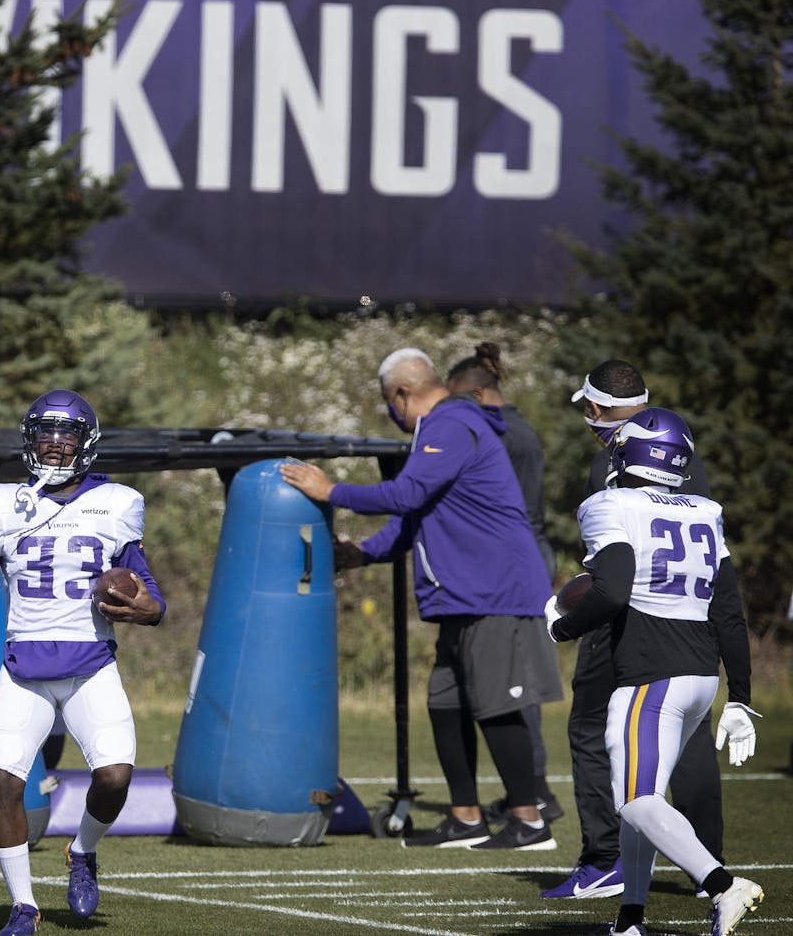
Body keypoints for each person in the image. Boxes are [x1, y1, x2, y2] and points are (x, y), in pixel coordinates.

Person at [281, 348, 562, 851]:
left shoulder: (450, 422)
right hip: (463, 598)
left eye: (389, 403)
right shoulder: (440, 430)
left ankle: (529, 820)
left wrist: (332, 491)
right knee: (446, 702)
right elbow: (415, 519)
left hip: (494, 591)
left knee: (495, 706)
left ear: (401, 394)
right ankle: (465, 817)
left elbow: (406, 495)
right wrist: (362, 554)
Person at [0, 389, 165, 936]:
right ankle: (23, 905)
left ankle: (83, 852)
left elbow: (150, 592)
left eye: (67, 438)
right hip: (23, 670)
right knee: (4, 784)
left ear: (85, 445)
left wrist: (147, 608)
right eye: (47, 435)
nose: (56, 446)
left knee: (113, 778)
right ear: (30, 440)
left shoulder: (116, 503)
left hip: (91, 665)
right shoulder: (1, 504)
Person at [545, 408, 762, 936]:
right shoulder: (707, 510)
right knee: (643, 798)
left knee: (634, 801)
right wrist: (740, 696)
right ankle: (629, 920)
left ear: (632, 453)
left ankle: (722, 884)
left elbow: (612, 589)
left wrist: (563, 627)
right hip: (700, 675)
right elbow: (729, 613)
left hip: (650, 674)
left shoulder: (609, 502)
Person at [445, 343, 564, 826]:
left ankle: (535, 792)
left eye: (453, 403)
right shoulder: (507, 431)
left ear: (476, 394)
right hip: (524, 555)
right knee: (508, 682)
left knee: (517, 686)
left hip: (520, 563)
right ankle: (528, 789)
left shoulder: (504, 436)